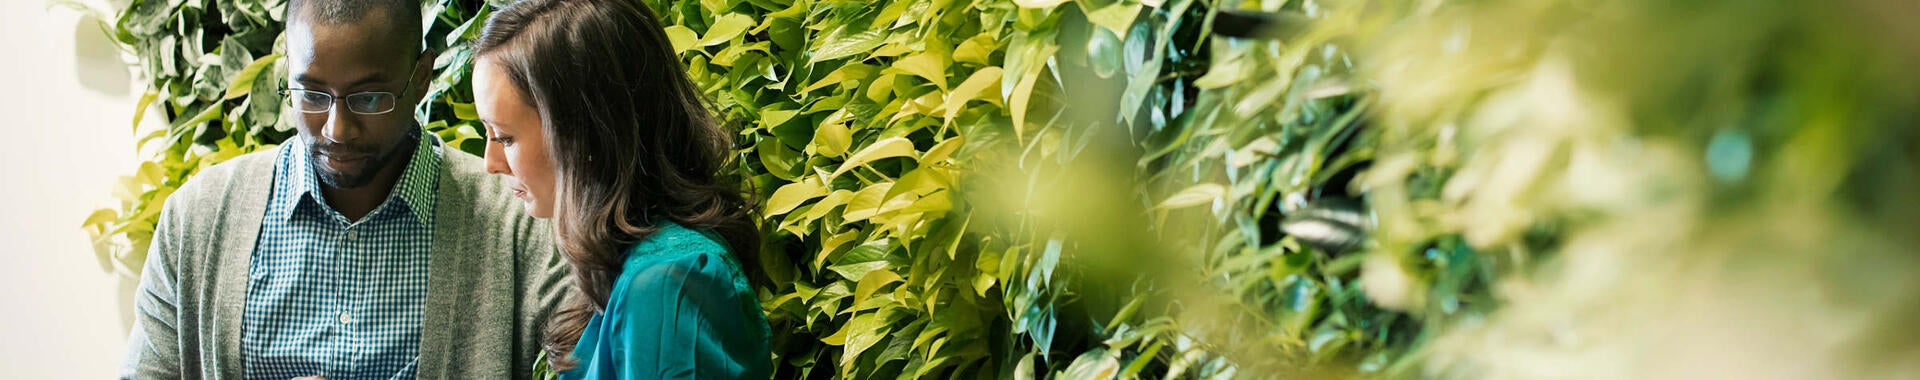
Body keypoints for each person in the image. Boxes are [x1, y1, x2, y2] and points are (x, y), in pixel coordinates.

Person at [119, 0, 571, 378]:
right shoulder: (197, 220)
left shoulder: (521, 228)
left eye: (368, 98)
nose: (337, 129)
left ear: (420, 78)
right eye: (311, 95)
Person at [469, 0, 773, 378]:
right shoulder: (635, 266)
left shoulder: (670, 282)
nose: (490, 162)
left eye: (505, 137)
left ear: (586, 136)